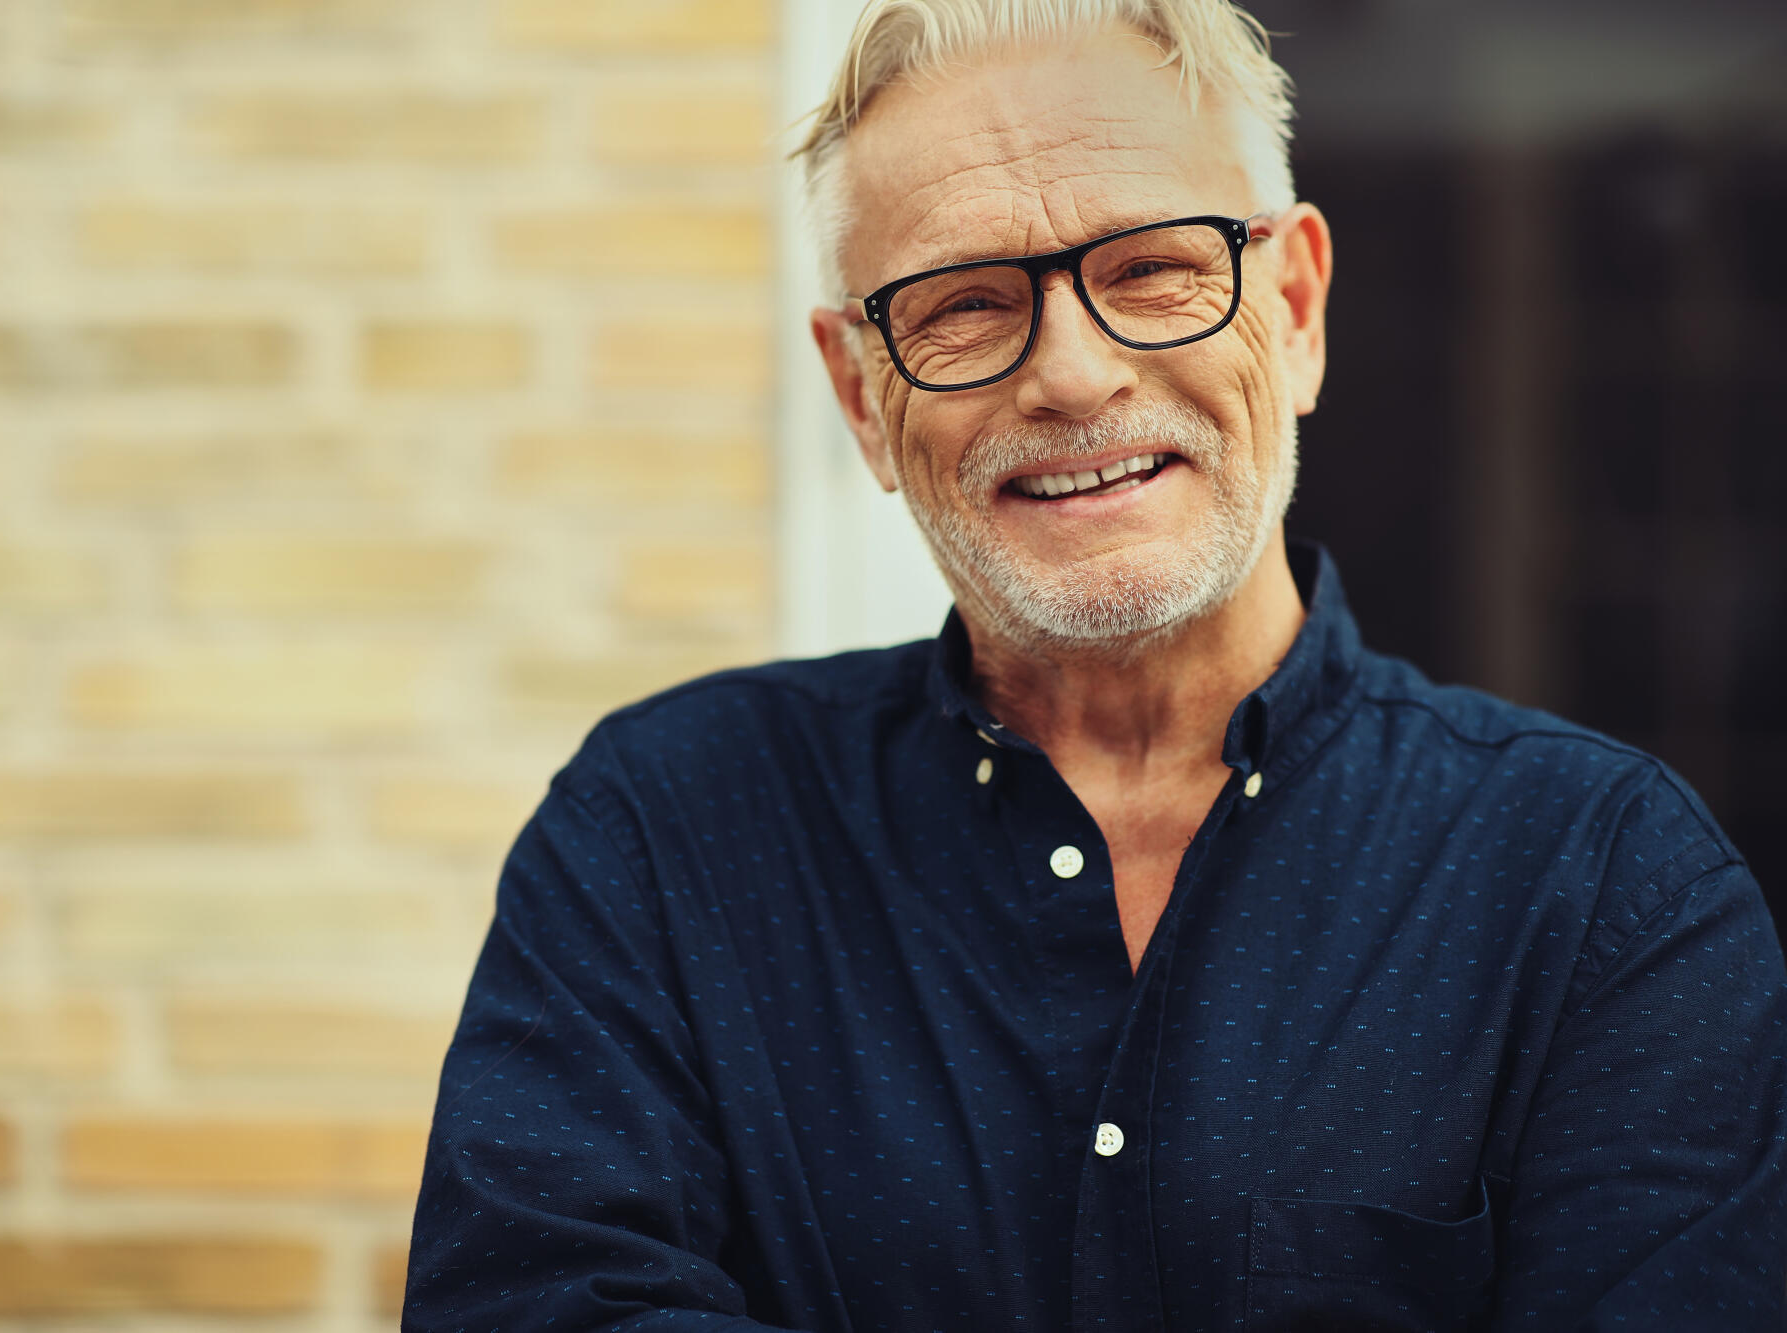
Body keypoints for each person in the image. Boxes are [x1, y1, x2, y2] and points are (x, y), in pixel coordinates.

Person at [403, 1, 1787, 1327]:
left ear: (1294, 307)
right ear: (860, 399)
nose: (1072, 375)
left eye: (1152, 269)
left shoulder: (1605, 882)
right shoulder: (662, 832)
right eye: (963, 304)